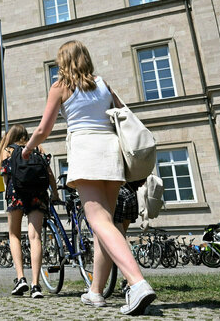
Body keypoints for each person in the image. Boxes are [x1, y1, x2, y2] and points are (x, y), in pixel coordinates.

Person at [22, 40, 155, 315]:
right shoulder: (103, 83)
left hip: (87, 151)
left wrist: (27, 148)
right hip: (112, 152)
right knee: (106, 225)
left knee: (99, 221)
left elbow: (43, 129)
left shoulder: (60, 87)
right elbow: (123, 114)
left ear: (63, 62)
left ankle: (137, 282)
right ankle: (95, 292)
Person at [0, 124, 60, 299]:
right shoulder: (38, 147)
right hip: (38, 194)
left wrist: (11, 190)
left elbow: (5, 175)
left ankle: (21, 278)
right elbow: (49, 173)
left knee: (14, 235)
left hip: (16, 192)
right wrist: (54, 193)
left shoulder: (8, 150)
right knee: (35, 237)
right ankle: (36, 285)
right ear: (26, 135)